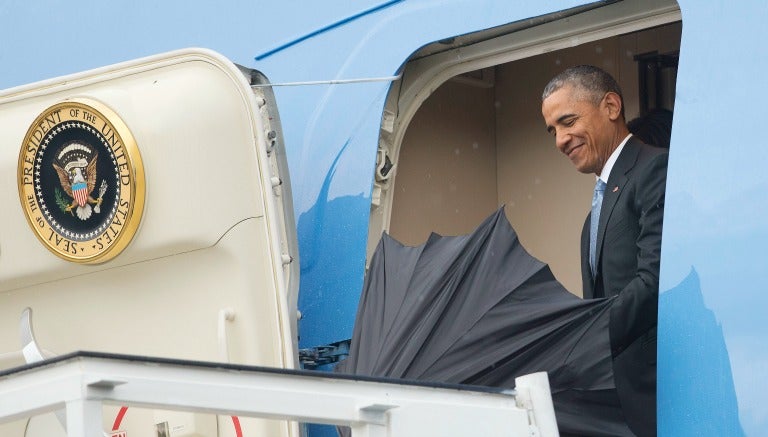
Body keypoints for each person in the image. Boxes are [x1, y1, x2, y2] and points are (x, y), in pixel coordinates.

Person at [541, 65, 668, 437]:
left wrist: (583, 338)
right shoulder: (597, 206)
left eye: (567, 122)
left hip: (655, 398)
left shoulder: (654, 167)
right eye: (553, 130)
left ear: (611, 106)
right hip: (612, 403)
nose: (560, 140)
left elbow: (655, 279)